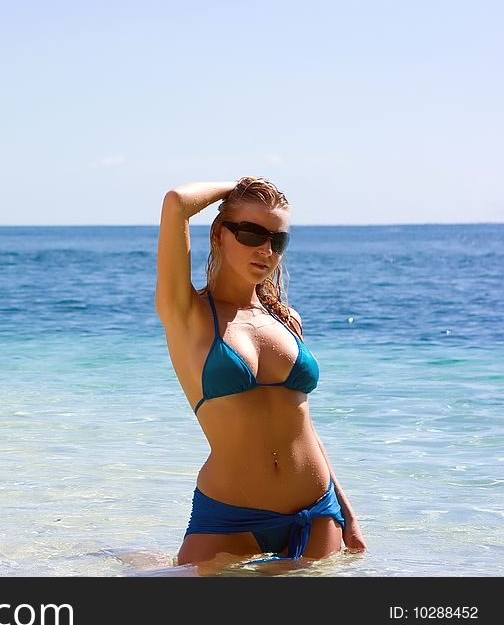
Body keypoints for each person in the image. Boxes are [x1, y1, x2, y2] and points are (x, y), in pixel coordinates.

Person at [155, 176, 367, 571]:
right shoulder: (187, 314)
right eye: (251, 233)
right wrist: (235, 187)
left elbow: (303, 424)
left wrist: (348, 513)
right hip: (228, 518)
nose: (266, 249)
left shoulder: (286, 320)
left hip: (318, 512)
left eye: (278, 239)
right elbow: (177, 203)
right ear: (219, 233)